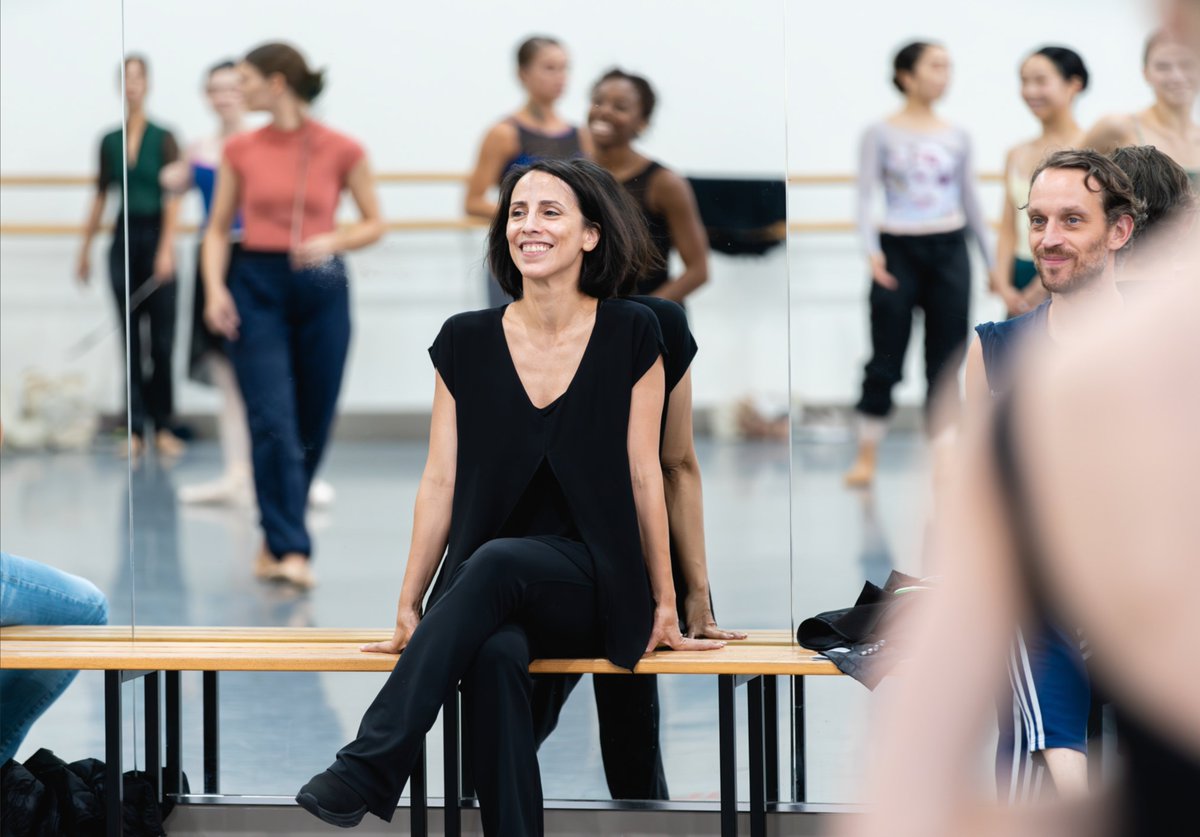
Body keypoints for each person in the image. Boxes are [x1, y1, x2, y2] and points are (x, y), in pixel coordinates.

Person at [295, 159, 724, 835]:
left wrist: (671, 600)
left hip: (598, 577)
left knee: (496, 562)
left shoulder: (636, 331)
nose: (529, 225)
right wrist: (409, 605)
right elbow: (439, 478)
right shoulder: (465, 339)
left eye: (551, 212)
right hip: (488, 585)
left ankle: (370, 763)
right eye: (518, 211)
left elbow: (654, 472)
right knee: (493, 652)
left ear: (590, 235)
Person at [968, 150, 1139, 802]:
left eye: (1071, 220)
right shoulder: (999, 351)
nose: (1048, 239)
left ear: (1118, 231)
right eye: (1037, 220)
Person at [202, 43, 383, 589]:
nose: (241, 90)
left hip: (322, 282)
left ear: (277, 83)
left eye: (247, 80)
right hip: (255, 282)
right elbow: (216, 229)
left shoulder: (342, 148)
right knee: (272, 419)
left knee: (312, 421)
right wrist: (214, 290)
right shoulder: (240, 148)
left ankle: (274, 535)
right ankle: (291, 546)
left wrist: (335, 237)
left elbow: (374, 223)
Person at [163, 61, 335, 509]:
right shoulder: (198, 147)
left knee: (283, 376)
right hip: (216, 260)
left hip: (262, 259)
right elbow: (177, 195)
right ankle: (237, 472)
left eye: (232, 88)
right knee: (229, 378)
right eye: (214, 89)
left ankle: (296, 471)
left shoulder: (264, 146)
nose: (224, 97)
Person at [845, 41, 994, 487]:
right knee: (885, 358)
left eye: (948, 67)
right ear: (906, 75)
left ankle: (946, 459)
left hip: (949, 249)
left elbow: (970, 199)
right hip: (898, 251)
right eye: (934, 66)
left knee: (946, 361)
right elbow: (864, 195)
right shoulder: (880, 133)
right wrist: (871, 253)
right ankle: (866, 453)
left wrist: (992, 265)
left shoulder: (958, 134)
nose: (943, 75)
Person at [76, 54, 185, 459]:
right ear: (119, 86)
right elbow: (100, 196)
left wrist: (167, 248)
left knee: (161, 340)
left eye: (139, 78)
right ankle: (134, 428)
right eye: (126, 78)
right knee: (129, 341)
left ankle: (164, 426)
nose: (133, 85)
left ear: (149, 84)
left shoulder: (166, 136)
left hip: (159, 238)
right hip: (123, 239)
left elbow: (175, 196)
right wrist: (84, 249)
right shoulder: (108, 141)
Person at [464, 36, 591, 306]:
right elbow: (472, 201)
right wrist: (530, 218)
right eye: (549, 68)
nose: (560, 77)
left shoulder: (582, 136)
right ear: (523, 74)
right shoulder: (504, 133)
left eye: (565, 68)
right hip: (519, 257)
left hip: (569, 259)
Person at [588, 68, 709, 301]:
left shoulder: (665, 183)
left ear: (642, 122)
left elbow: (698, 271)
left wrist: (644, 315)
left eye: (620, 107)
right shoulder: (571, 177)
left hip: (651, 324)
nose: (604, 111)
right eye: (598, 101)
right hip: (589, 322)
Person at [992, 47, 1089, 319]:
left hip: (1067, 271)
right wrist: (1003, 284)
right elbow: (1008, 227)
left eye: (1040, 80)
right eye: (1024, 81)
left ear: (1074, 84)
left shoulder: (1090, 149)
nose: (1030, 91)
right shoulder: (1015, 153)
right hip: (1020, 272)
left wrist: (1039, 288)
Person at [1082, 30, 1200, 184]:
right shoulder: (1117, 127)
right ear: (1146, 73)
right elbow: (1068, 173)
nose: (1177, 76)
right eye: (1163, 67)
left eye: (1187, 65)